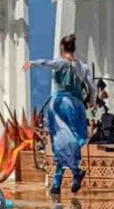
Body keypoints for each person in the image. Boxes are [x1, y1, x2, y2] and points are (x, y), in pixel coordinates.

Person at [23, 34, 94, 196]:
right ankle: (59, 181)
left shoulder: (61, 62)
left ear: (62, 48)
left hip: (60, 105)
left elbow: (46, 62)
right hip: (77, 105)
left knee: (61, 141)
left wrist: (32, 63)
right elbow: (92, 86)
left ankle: (73, 172)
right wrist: (92, 100)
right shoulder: (83, 67)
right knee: (72, 140)